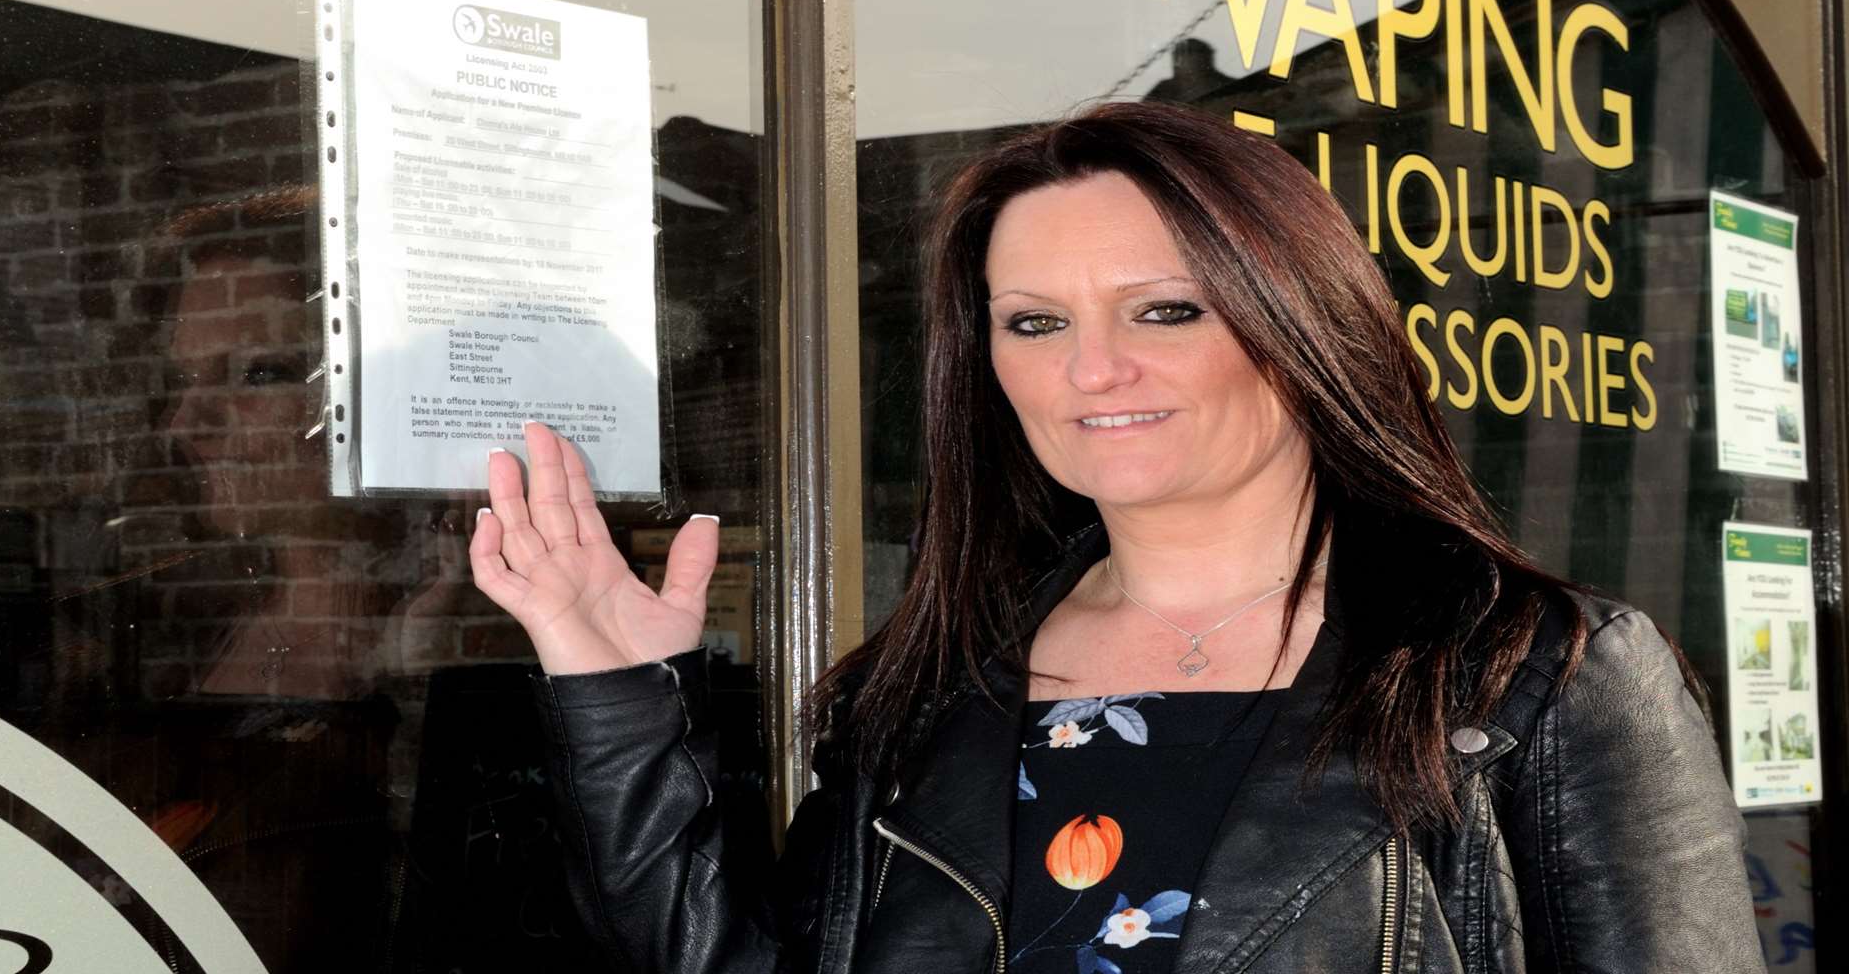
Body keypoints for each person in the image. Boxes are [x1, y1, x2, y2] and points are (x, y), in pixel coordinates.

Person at [469, 102, 1761, 973]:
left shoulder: (1532, 675)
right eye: (1034, 323)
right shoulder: (928, 692)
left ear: (1297, 327)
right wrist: (614, 689)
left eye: (1163, 310)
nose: (1095, 369)